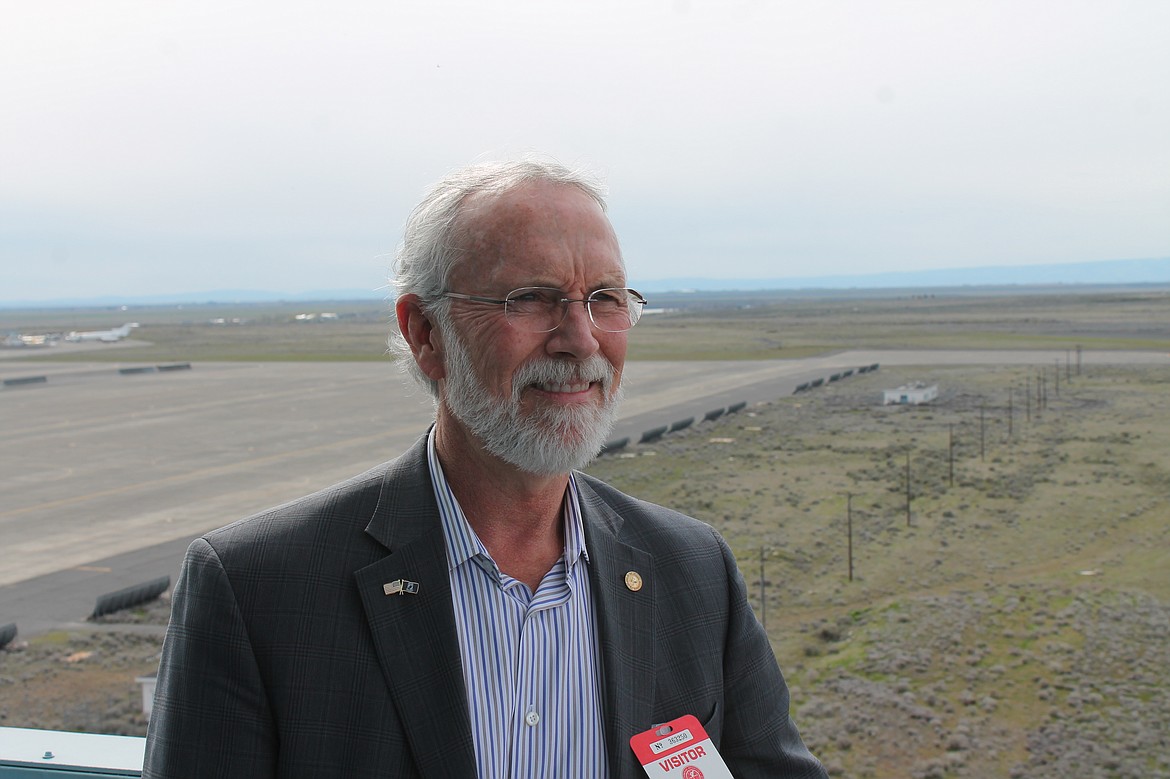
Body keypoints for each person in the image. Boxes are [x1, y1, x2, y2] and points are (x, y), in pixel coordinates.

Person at [143, 158, 827, 778]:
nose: (580, 339)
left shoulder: (692, 569)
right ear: (425, 334)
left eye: (606, 298)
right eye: (530, 297)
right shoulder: (258, 590)